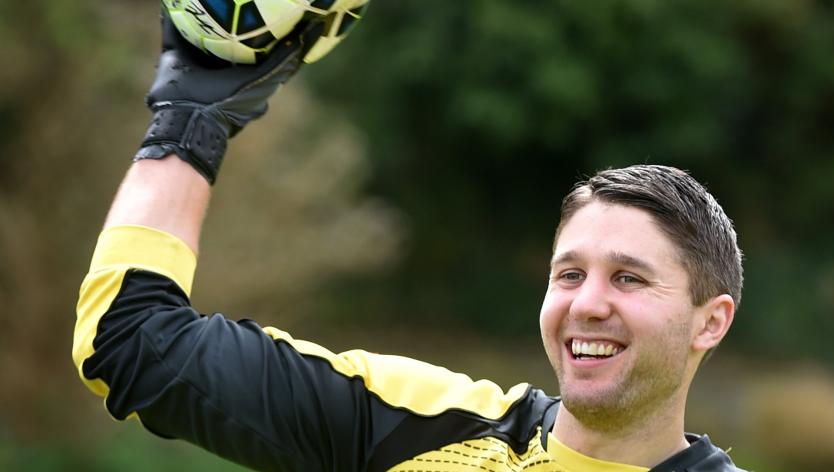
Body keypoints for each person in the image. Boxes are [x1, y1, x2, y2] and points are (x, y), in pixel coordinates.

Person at [73, 14, 745, 472]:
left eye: (628, 278)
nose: (587, 303)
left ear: (709, 322)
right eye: (569, 274)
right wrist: (190, 121)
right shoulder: (424, 427)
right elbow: (130, 342)